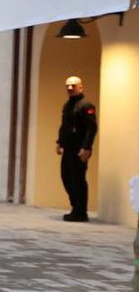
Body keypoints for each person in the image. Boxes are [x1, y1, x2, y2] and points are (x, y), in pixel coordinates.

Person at [56, 75, 97, 222]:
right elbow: (64, 126)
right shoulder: (68, 106)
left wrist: (86, 147)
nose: (70, 88)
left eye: (73, 86)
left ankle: (81, 211)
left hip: (79, 149)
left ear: (81, 87)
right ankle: (75, 207)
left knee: (78, 179)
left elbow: (91, 128)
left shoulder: (86, 106)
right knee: (66, 177)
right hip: (68, 148)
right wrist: (59, 142)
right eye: (67, 86)